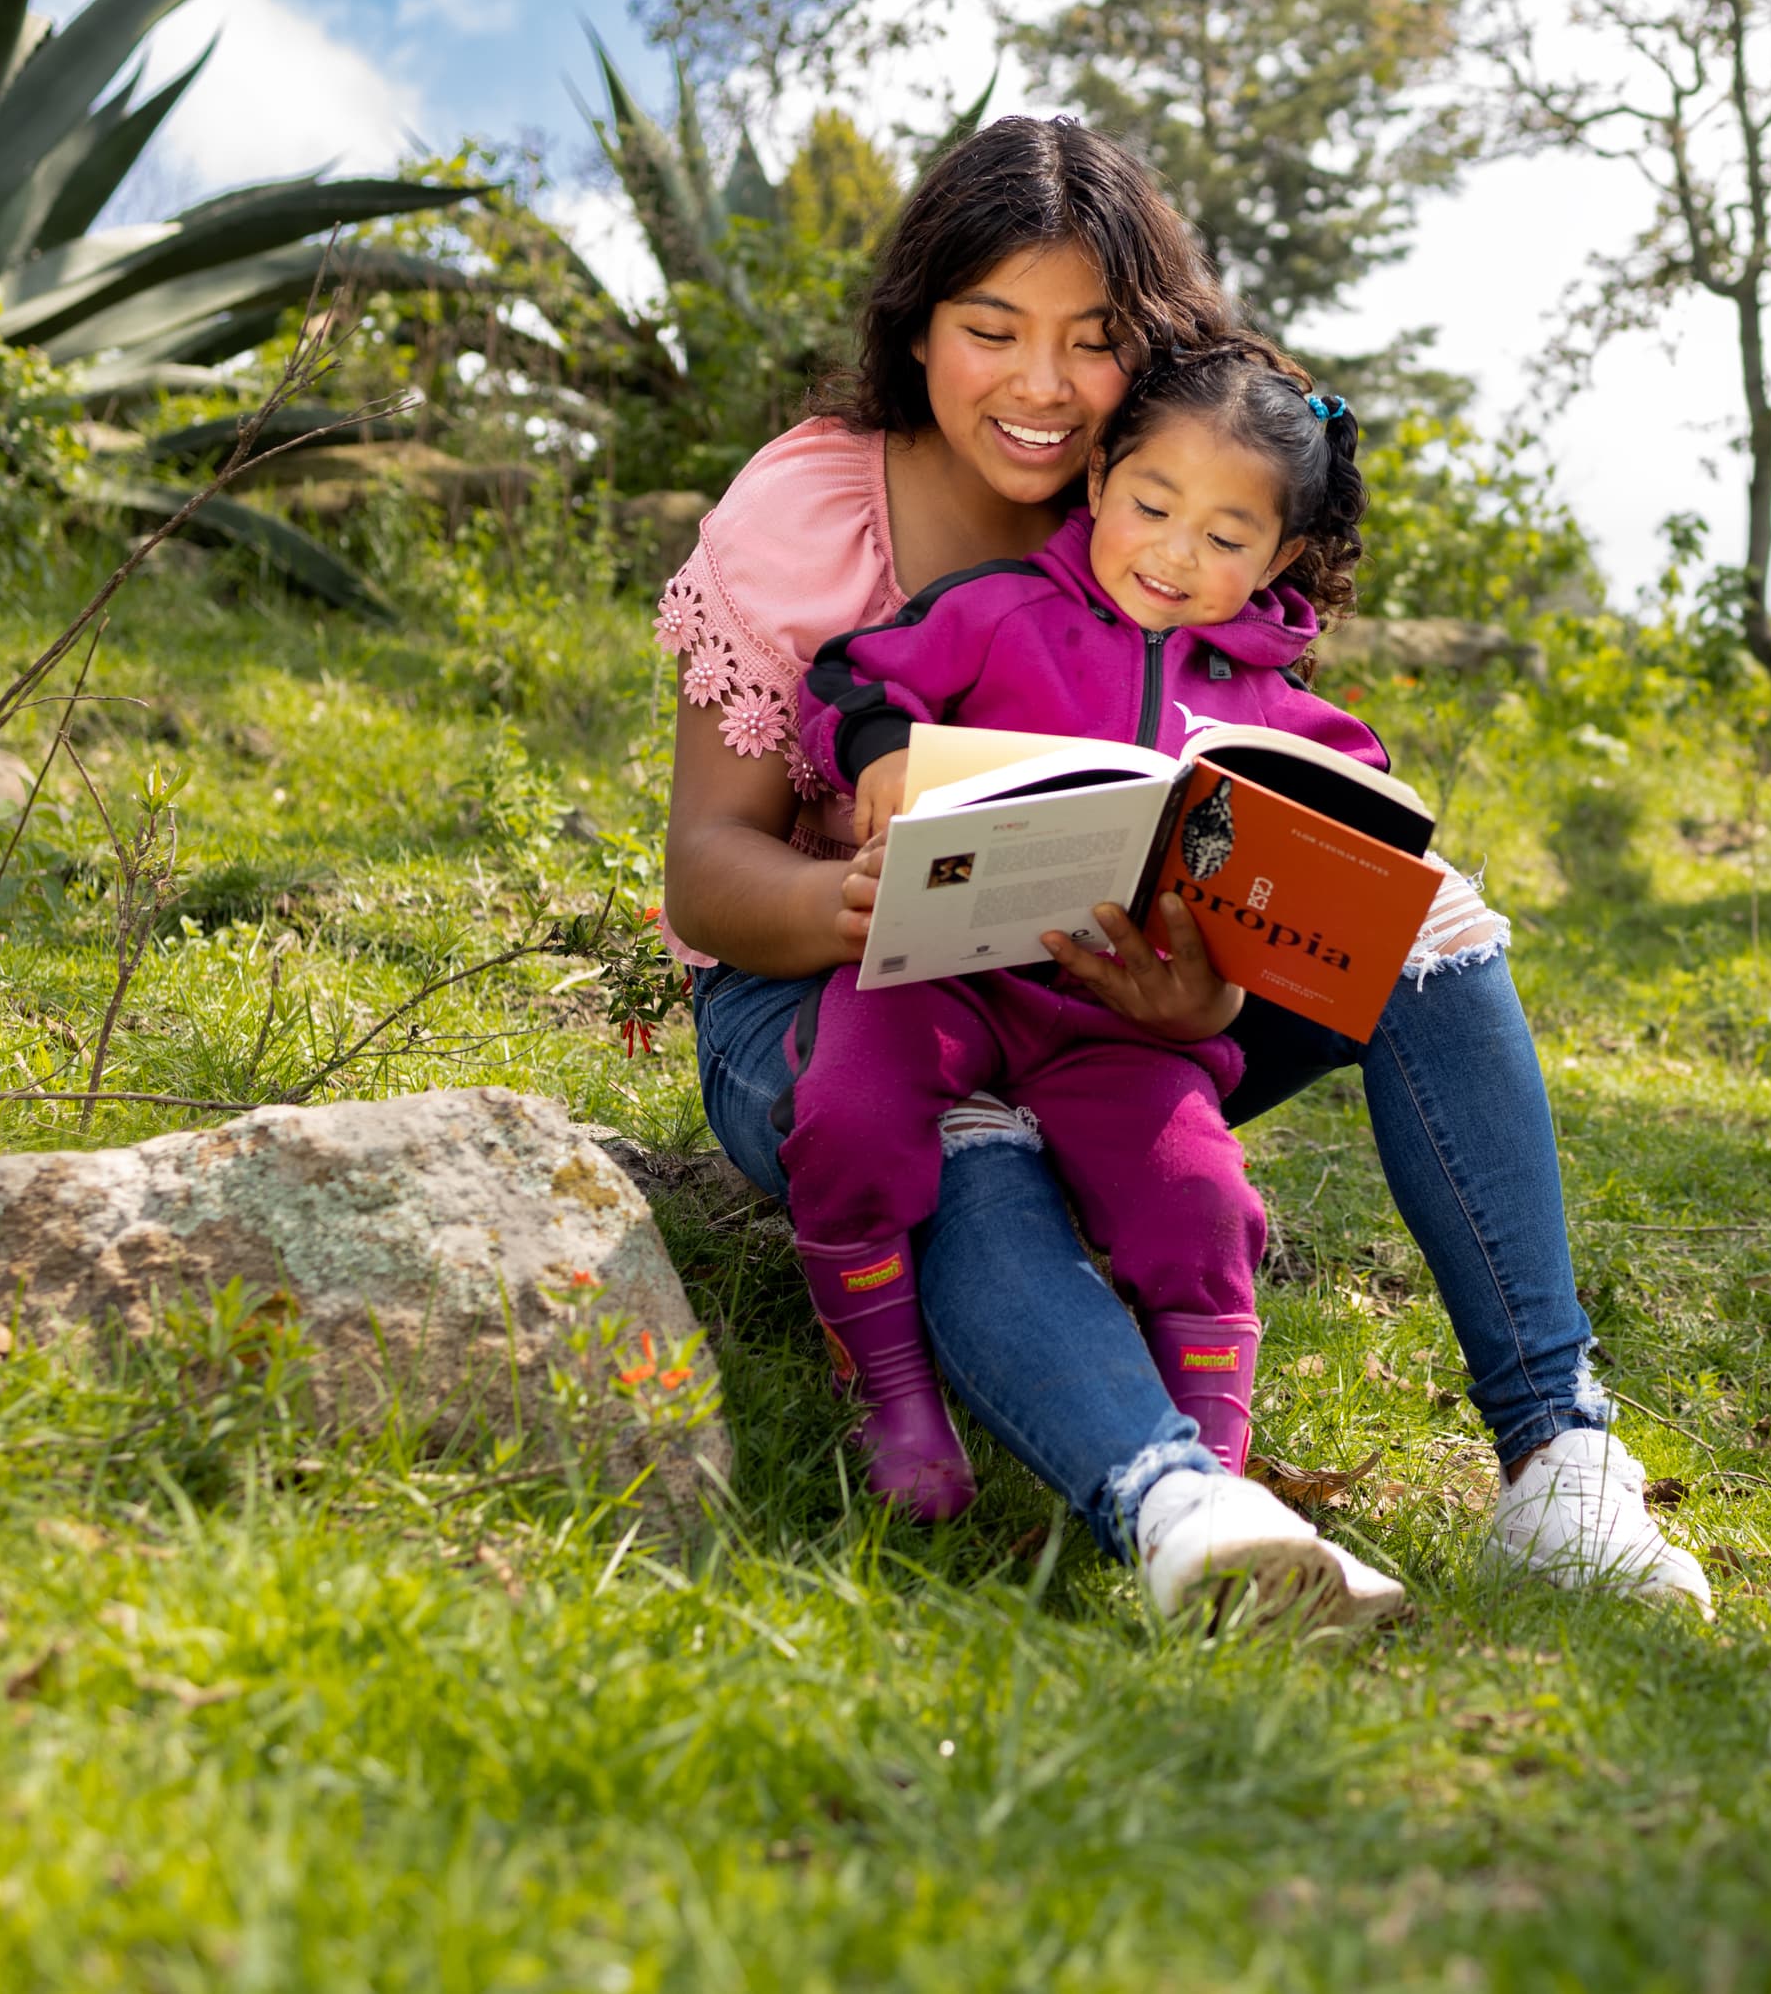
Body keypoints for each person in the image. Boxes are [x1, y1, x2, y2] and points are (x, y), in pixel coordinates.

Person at [660, 115, 1710, 1627]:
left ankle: (1558, 1455)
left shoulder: (1185, 513)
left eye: (1089, 343)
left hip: (1105, 1002)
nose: (1037, 385)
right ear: (917, 325)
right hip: (840, 992)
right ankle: (1175, 1500)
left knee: (1428, 916)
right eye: (989, 328)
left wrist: (1203, 982)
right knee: (967, 1130)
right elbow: (706, 871)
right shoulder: (810, 508)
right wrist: (860, 902)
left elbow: (1241, 816)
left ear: (1147, 357)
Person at [780, 338, 1383, 1517]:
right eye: (1153, 503)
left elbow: (1329, 866)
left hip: (1130, 1027)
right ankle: (895, 1400)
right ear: (1099, 478)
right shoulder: (996, 610)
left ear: (1283, 557)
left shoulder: (1290, 715)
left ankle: (1214, 1479)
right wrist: (885, 753)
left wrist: (1236, 983)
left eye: (1225, 538)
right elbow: (851, 680)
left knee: (1204, 1205)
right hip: (939, 973)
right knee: (847, 1115)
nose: (1173, 551)